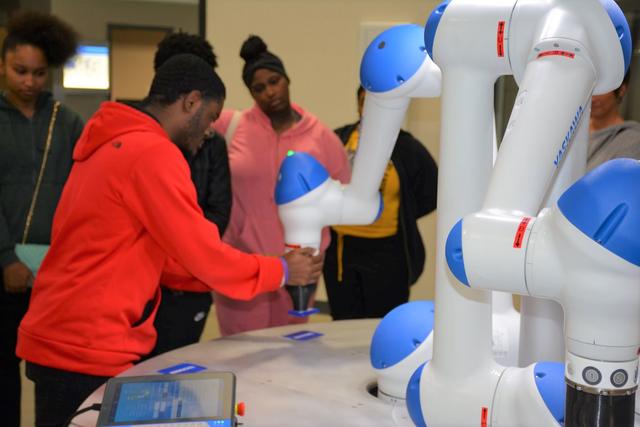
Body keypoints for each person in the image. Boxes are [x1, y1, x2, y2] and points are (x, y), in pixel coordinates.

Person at [16, 53, 322, 427]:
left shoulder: (112, 141)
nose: (210, 130)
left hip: (63, 335)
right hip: (84, 345)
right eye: (210, 116)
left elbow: (171, 259)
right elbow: (204, 255)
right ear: (190, 101)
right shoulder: (152, 152)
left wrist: (237, 272)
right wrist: (281, 270)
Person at [212, 35, 350, 336]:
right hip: (243, 264)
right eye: (258, 88)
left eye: (274, 81)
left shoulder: (321, 137)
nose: (269, 92)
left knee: (290, 358)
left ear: (287, 79)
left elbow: (344, 198)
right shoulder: (231, 127)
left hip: (300, 267)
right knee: (241, 353)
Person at [0, 11, 84, 427]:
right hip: (3, 270)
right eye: (19, 71)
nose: (29, 81)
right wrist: (5, 258)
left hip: (53, 275)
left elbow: (82, 195)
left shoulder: (66, 122)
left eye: (37, 73)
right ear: (2, 66)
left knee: (48, 371)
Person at [323, 86, 438, 320]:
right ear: (358, 105)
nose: (370, 107)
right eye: (365, 101)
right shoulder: (338, 139)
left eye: (377, 102)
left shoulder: (406, 146)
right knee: (345, 324)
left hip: (388, 252)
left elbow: (431, 190)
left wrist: (403, 210)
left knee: (383, 323)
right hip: (342, 250)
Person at [149, 32, 231, 356]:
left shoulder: (212, 144)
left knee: (176, 368)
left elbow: (218, 212)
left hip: (191, 283)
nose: (208, 127)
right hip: (146, 286)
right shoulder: (142, 146)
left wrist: (190, 253)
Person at [588, 70, 640, 171]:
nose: (593, 98)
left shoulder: (632, 141)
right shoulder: (574, 132)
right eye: (590, 88)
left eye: (602, 90)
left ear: (621, 90)